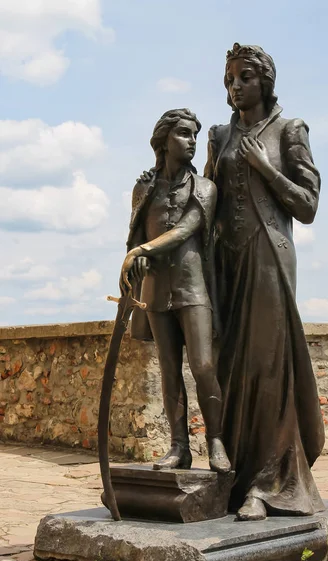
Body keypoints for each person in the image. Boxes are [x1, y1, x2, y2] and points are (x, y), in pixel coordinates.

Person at [203, 43, 325, 520]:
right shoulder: (218, 134)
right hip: (225, 264)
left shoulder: (289, 129)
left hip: (267, 258)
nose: (236, 86)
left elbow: (308, 206)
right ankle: (231, 476)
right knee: (229, 369)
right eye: (230, 78)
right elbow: (206, 200)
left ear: (266, 80)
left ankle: (268, 484)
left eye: (245, 77)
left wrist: (266, 168)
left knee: (269, 369)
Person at [120, 108, 231, 474]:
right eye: (184, 134)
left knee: (202, 365)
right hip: (156, 291)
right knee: (169, 371)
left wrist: (142, 250)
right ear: (164, 140)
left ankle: (215, 441)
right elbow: (135, 236)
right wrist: (137, 258)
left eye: (195, 135)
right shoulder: (144, 187)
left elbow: (188, 228)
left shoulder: (205, 188)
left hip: (193, 286)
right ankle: (179, 447)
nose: (192, 142)